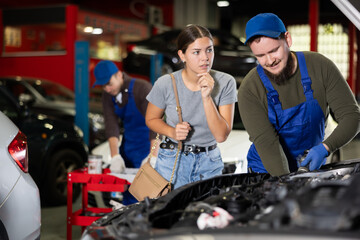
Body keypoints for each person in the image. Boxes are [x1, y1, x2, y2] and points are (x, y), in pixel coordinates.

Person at [238, 13, 360, 176]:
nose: (269, 61)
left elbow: (352, 116)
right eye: (260, 56)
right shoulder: (250, 88)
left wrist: (325, 147)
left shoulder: (320, 67)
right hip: (267, 171)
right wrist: (287, 185)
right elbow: (268, 144)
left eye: (274, 50)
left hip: (311, 168)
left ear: (287, 39)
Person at [145, 24, 237, 189]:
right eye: (196, 52)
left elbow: (221, 136)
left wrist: (207, 96)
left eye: (209, 50)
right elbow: (151, 118)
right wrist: (172, 131)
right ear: (182, 55)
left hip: (209, 162)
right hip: (172, 160)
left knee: (205, 213)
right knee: (170, 214)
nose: (205, 58)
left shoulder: (225, 82)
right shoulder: (166, 83)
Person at [93, 60, 156, 204]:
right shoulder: (107, 95)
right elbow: (111, 125)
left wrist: (153, 156)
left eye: (109, 83)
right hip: (129, 149)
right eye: (103, 86)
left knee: (149, 198)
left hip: (149, 146)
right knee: (130, 195)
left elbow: (155, 125)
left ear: (119, 75)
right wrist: (115, 156)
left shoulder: (142, 88)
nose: (107, 89)